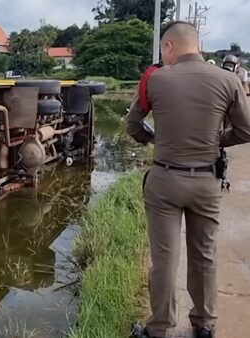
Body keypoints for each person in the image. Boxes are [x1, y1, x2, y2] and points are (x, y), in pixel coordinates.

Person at [126, 21, 250, 338]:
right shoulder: (228, 79)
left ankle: (158, 329)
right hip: (207, 181)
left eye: (162, 49)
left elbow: (132, 124)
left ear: (169, 46)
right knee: (204, 254)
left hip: (165, 179)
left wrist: (155, 139)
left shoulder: (155, 80)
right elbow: (246, 130)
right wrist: (214, 141)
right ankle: (204, 325)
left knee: (165, 259)